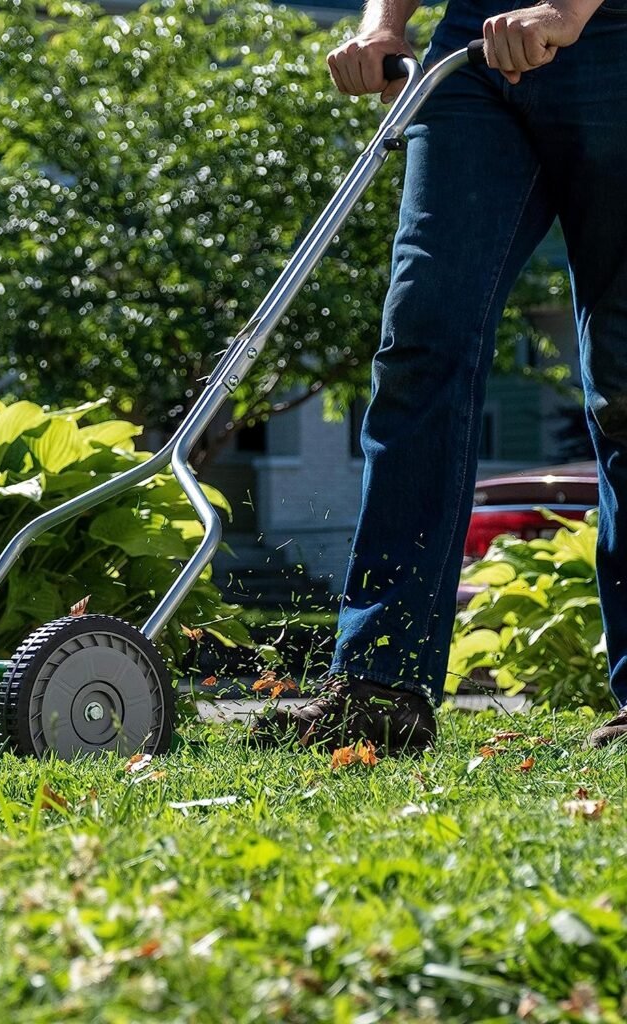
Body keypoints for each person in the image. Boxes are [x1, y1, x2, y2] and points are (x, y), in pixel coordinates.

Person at [254, 0, 627, 753]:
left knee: (625, 384)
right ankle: (380, 686)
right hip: (473, 51)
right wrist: (383, 23)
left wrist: (566, 9)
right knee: (422, 338)